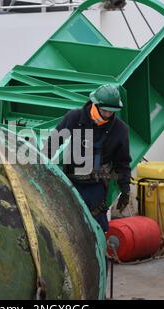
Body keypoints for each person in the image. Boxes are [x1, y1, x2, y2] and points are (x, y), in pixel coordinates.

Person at [44, 84, 132, 232]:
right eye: (105, 110)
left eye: (112, 111)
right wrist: (39, 164)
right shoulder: (74, 118)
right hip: (70, 181)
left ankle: (98, 253)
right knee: (64, 221)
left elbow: (122, 163)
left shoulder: (120, 130)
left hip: (95, 186)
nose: (108, 114)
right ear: (95, 104)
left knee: (96, 224)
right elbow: (53, 143)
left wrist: (125, 189)